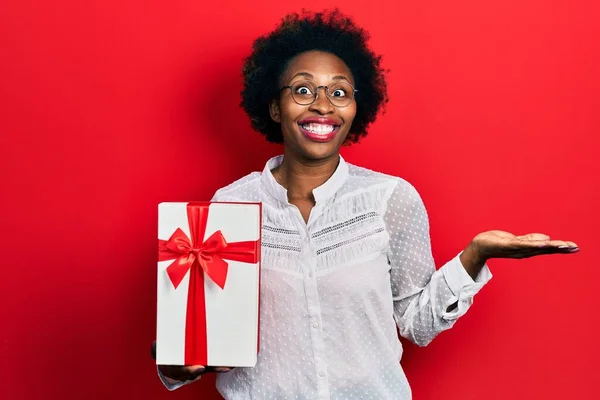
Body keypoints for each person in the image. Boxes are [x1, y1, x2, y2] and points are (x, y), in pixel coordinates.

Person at [155, 9, 578, 399]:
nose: (323, 104)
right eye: (303, 89)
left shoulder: (390, 199)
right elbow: (201, 337)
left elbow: (418, 323)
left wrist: (475, 255)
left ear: (357, 107)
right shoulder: (230, 205)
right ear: (274, 106)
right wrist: (174, 357)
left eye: (339, 92)